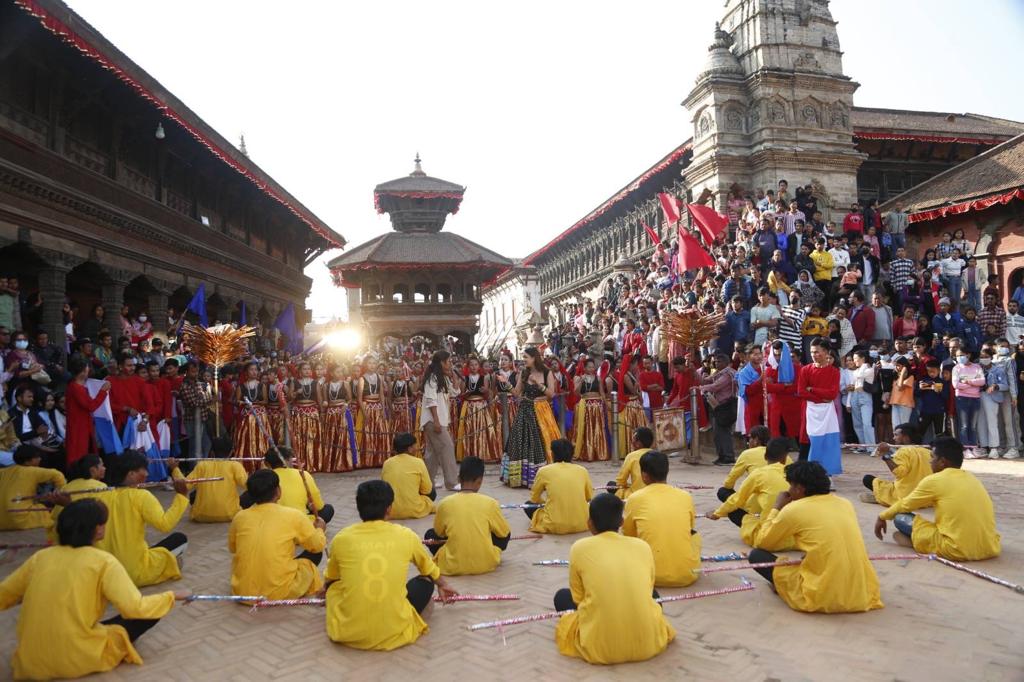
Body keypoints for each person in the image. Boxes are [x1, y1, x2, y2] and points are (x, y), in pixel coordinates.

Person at [0, 499, 189, 679]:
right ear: (98, 529)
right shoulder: (104, 561)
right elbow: (135, 608)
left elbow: (4, 594)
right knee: (149, 611)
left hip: (30, 662)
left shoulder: (40, 557)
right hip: (75, 658)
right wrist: (172, 596)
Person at [324, 480, 458, 650]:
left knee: (334, 588)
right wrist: (444, 585)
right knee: (425, 582)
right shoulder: (406, 535)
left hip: (349, 632)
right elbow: (429, 569)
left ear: (358, 508)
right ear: (389, 508)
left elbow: (331, 577)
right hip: (393, 629)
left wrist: (325, 588)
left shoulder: (342, 538)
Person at [553, 493, 675, 664]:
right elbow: (648, 586)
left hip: (598, 646)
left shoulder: (579, 548)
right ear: (621, 522)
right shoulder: (642, 546)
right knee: (653, 595)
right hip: (648, 643)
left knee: (562, 597)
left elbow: (578, 599)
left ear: (590, 523)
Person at [750, 461, 883, 613]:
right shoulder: (845, 503)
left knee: (757, 556)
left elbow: (762, 542)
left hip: (821, 595)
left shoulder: (794, 509)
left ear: (800, 488)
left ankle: (783, 588)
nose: (789, 490)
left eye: (791, 486)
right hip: (861, 592)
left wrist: (776, 508)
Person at [874, 437, 1000, 560]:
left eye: (933, 457)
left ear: (942, 462)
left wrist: (882, 516)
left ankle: (917, 541)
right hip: (989, 547)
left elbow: (905, 504)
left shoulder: (934, 480)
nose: (930, 462)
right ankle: (919, 539)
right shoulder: (972, 478)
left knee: (899, 518)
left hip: (956, 549)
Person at [228, 469, 326, 601]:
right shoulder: (294, 515)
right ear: (278, 491)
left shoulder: (240, 517)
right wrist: (320, 529)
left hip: (244, 593)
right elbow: (317, 545)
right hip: (278, 592)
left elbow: (233, 548)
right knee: (312, 558)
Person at [96, 451, 188, 587]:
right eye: (143, 470)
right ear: (131, 474)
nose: (147, 474)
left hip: (109, 574)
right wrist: (182, 496)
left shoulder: (101, 496)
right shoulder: (141, 496)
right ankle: (170, 564)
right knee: (180, 539)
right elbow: (165, 524)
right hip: (134, 573)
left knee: (148, 549)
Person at [622, 450, 701, 586]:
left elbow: (628, 534)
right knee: (695, 536)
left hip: (647, 575)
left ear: (644, 476)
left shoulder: (634, 498)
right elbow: (690, 528)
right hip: (687, 575)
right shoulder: (685, 496)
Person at [426, 456, 511, 575]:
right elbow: (504, 533)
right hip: (486, 563)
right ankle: (483, 553)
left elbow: (439, 532)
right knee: (502, 532)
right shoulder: (490, 503)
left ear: (459, 479)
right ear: (480, 481)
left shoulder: (444, 504)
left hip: (452, 564)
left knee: (430, 534)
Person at [707, 436, 791, 549]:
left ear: (765, 456)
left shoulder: (758, 471)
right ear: (785, 458)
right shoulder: (795, 472)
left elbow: (736, 497)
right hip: (793, 538)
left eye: (750, 438)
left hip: (768, 537)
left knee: (732, 508)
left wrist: (717, 513)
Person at [503, 347, 559, 488]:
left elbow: (552, 394)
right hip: (525, 410)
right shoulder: (524, 372)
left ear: (534, 358)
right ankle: (520, 478)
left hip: (541, 411)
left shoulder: (547, 373)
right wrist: (506, 382)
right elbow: (517, 392)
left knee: (539, 442)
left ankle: (542, 477)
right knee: (520, 442)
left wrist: (538, 384)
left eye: (526, 357)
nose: (524, 359)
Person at [168, 435, 248, 522]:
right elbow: (249, 486)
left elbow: (184, 485)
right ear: (232, 452)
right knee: (247, 496)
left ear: (212, 452)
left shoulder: (202, 465)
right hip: (231, 515)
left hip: (200, 516)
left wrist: (175, 469)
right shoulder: (235, 465)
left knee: (194, 495)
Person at [527, 438, 593, 534]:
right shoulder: (582, 470)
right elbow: (589, 497)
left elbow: (534, 498)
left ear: (552, 454)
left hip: (554, 525)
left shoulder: (544, 471)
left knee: (528, 506)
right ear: (572, 454)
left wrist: (547, 503)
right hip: (582, 524)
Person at [797, 338, 841, 474]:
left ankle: (827, 473)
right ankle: (803, 473)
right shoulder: (805, 370)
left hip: (828, 413)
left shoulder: (834, 372)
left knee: (828, 442)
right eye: (812, 352)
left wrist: (813, 390)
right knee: (807, 440)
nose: (814, 355)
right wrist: (821, 398)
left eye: (817, 352)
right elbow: (801, 391)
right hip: (810, 410)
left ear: (827, 352)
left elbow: (832, 394)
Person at [256, 447, 333, 524]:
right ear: (287, 460)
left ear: (267, 463)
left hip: (271, 522)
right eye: (291, 458)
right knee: (328, 509)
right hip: (299, 523)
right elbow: (318, 506)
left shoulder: (262, 479)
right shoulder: (303, 474)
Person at [0, 444, 67, 531]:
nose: (40, 459)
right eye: (37, 457)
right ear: (28, 461)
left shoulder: (4, 471)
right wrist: (60, 490)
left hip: (1, 520)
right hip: (19, 518)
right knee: (48, 511)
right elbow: (57, 474)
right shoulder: (32, 470)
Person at [421, 350, 460, 490]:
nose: (451, 364)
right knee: (447, 447)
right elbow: (431, 401)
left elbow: (455, 392)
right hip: (433, 421)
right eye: (449, 361)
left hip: (440, 420)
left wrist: (454, 376)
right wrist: (436, 421)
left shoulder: (443, 378)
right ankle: (452, 482)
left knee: (432, 453)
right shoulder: (432, 378)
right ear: (442, 362)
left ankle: (426, 483)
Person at [716, 425, 781, 501]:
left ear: (756, 440)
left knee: (723, 491)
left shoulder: (748, 454)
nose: (748, 441)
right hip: (782, 500)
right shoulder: (782, 454)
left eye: (749, 438)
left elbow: (729, 482)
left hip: (758, 502)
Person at [381, 432, 435, 519]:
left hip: (390, 511)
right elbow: (427, 490)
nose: (417, 448)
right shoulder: (418, 462)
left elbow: (384, 487)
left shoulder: (387, 463)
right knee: (432, 492)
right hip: (414, 509)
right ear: (409, 449)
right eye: (415, 446)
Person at [701, 352, 739, 465]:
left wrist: (700, 388)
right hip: (719, 405)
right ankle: (722, 456)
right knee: (718, 433)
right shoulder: (719, 373)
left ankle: (727, 457)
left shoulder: (728, 374)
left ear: (726, 363)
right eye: (716, 362)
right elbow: (708, 381)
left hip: (725, 405)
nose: (716, 364)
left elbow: (716, 386)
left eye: (719, 361)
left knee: (723, 432)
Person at [572, 358, 610, 462]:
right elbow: (576, 392)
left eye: (593, 367)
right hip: (585, 405)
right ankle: (587, 453)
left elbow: (602, 392)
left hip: (597, 406)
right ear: (584, 368)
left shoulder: (598, 378)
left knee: (597, 428)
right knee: (586, 428)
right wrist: (581, 381)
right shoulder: (579, 378)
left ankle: (599, 452)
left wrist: (606, 404)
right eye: (589, 367)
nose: (592, 368)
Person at [951, 349, 984, 446]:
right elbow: (956, 385)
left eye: (962, 355)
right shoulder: (956, 368)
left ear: (968, 354)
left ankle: (973, 447)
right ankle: (965, 448)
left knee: (973, 426)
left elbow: (982, 381)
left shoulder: (977, 367)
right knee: (964, 426)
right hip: (962, 399)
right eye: (957, 356)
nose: (959, 357)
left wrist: (968, 382)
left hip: (975, 399)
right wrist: (974, 383)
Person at [611, 427, 655, 498]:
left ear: (638, 443)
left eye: (633, 440)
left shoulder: (631, 456)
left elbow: (620, 481)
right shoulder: (659, 455)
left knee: (612, 485)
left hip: (637, 495)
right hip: (657, 493)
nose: (632, 442)